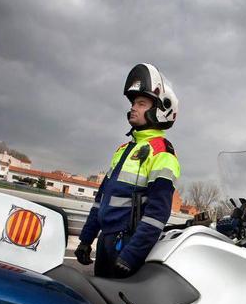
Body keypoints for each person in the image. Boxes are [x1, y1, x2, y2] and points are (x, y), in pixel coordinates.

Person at [75, 63, 181, 278]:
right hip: (106, 241)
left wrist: (132, 254)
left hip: (127, 246)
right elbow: (100, 199)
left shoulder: (162, 153)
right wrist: (86, 240)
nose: (133, 107)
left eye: (141, 103)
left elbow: (157, 214)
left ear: (160, 110)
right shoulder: (124, 149)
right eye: (133, 103)